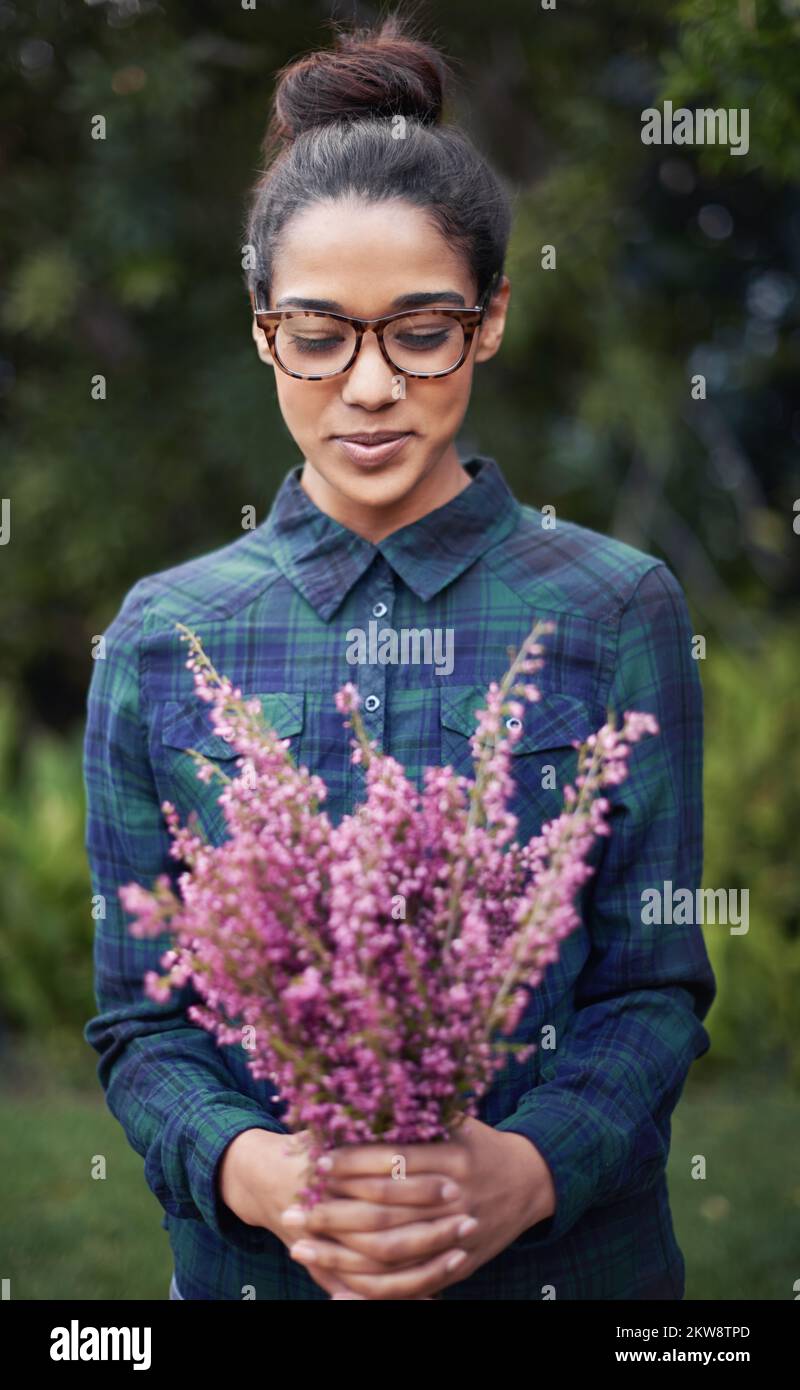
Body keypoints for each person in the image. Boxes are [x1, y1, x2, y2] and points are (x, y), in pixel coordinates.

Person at [83, 14, 716, 1302]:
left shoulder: (616, 606)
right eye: (320, 334)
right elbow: (141, 1023)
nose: (370, 385)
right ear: (265, 335)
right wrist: (260, 1173)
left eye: (420, 328)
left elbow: (654, 986)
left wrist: (527, 1172)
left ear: (486, 323)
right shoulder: (163, 635)